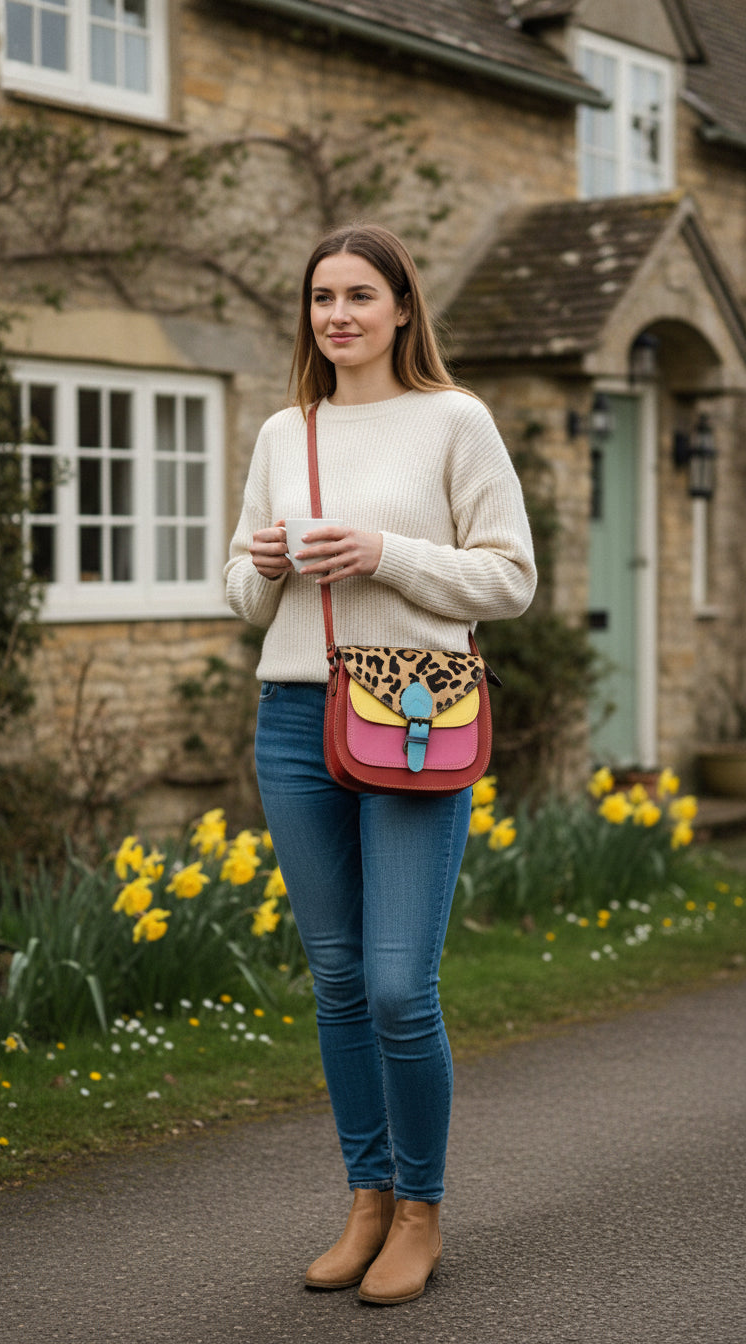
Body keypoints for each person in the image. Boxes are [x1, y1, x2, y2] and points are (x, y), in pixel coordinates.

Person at [224, 223, 536, 1305]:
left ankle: (419, 1212)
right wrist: (261, 563)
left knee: (403, 984)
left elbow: (510, 580)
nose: (339, 313)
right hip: (294, 719)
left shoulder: (456, 420)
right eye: (322, 296)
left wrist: (384, 553)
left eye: (362, 294)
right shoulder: (283, 432)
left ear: (403, 307)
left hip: (411, 716)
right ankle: (364, 1198)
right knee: (342, 980)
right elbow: (237, 594)